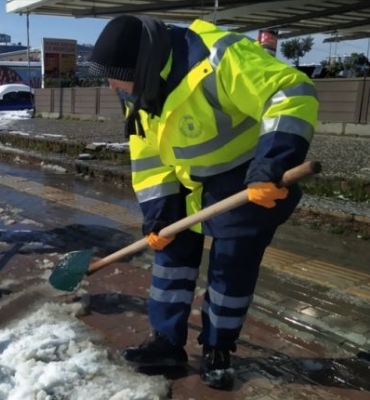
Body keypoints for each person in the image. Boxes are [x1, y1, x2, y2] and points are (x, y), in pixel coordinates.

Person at [88, 15, 319, 390]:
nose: (112, 85)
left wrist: (272, 164)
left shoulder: (218, 57)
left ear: (142, 65)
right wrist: (158, 214)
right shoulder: (137, 86)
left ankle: (218, 350)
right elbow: (146, 152)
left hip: (243, 176)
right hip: (183, 178)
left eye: (116, 76)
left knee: (231, 269)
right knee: (169, 258)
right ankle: (166, 343)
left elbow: (290, 92)